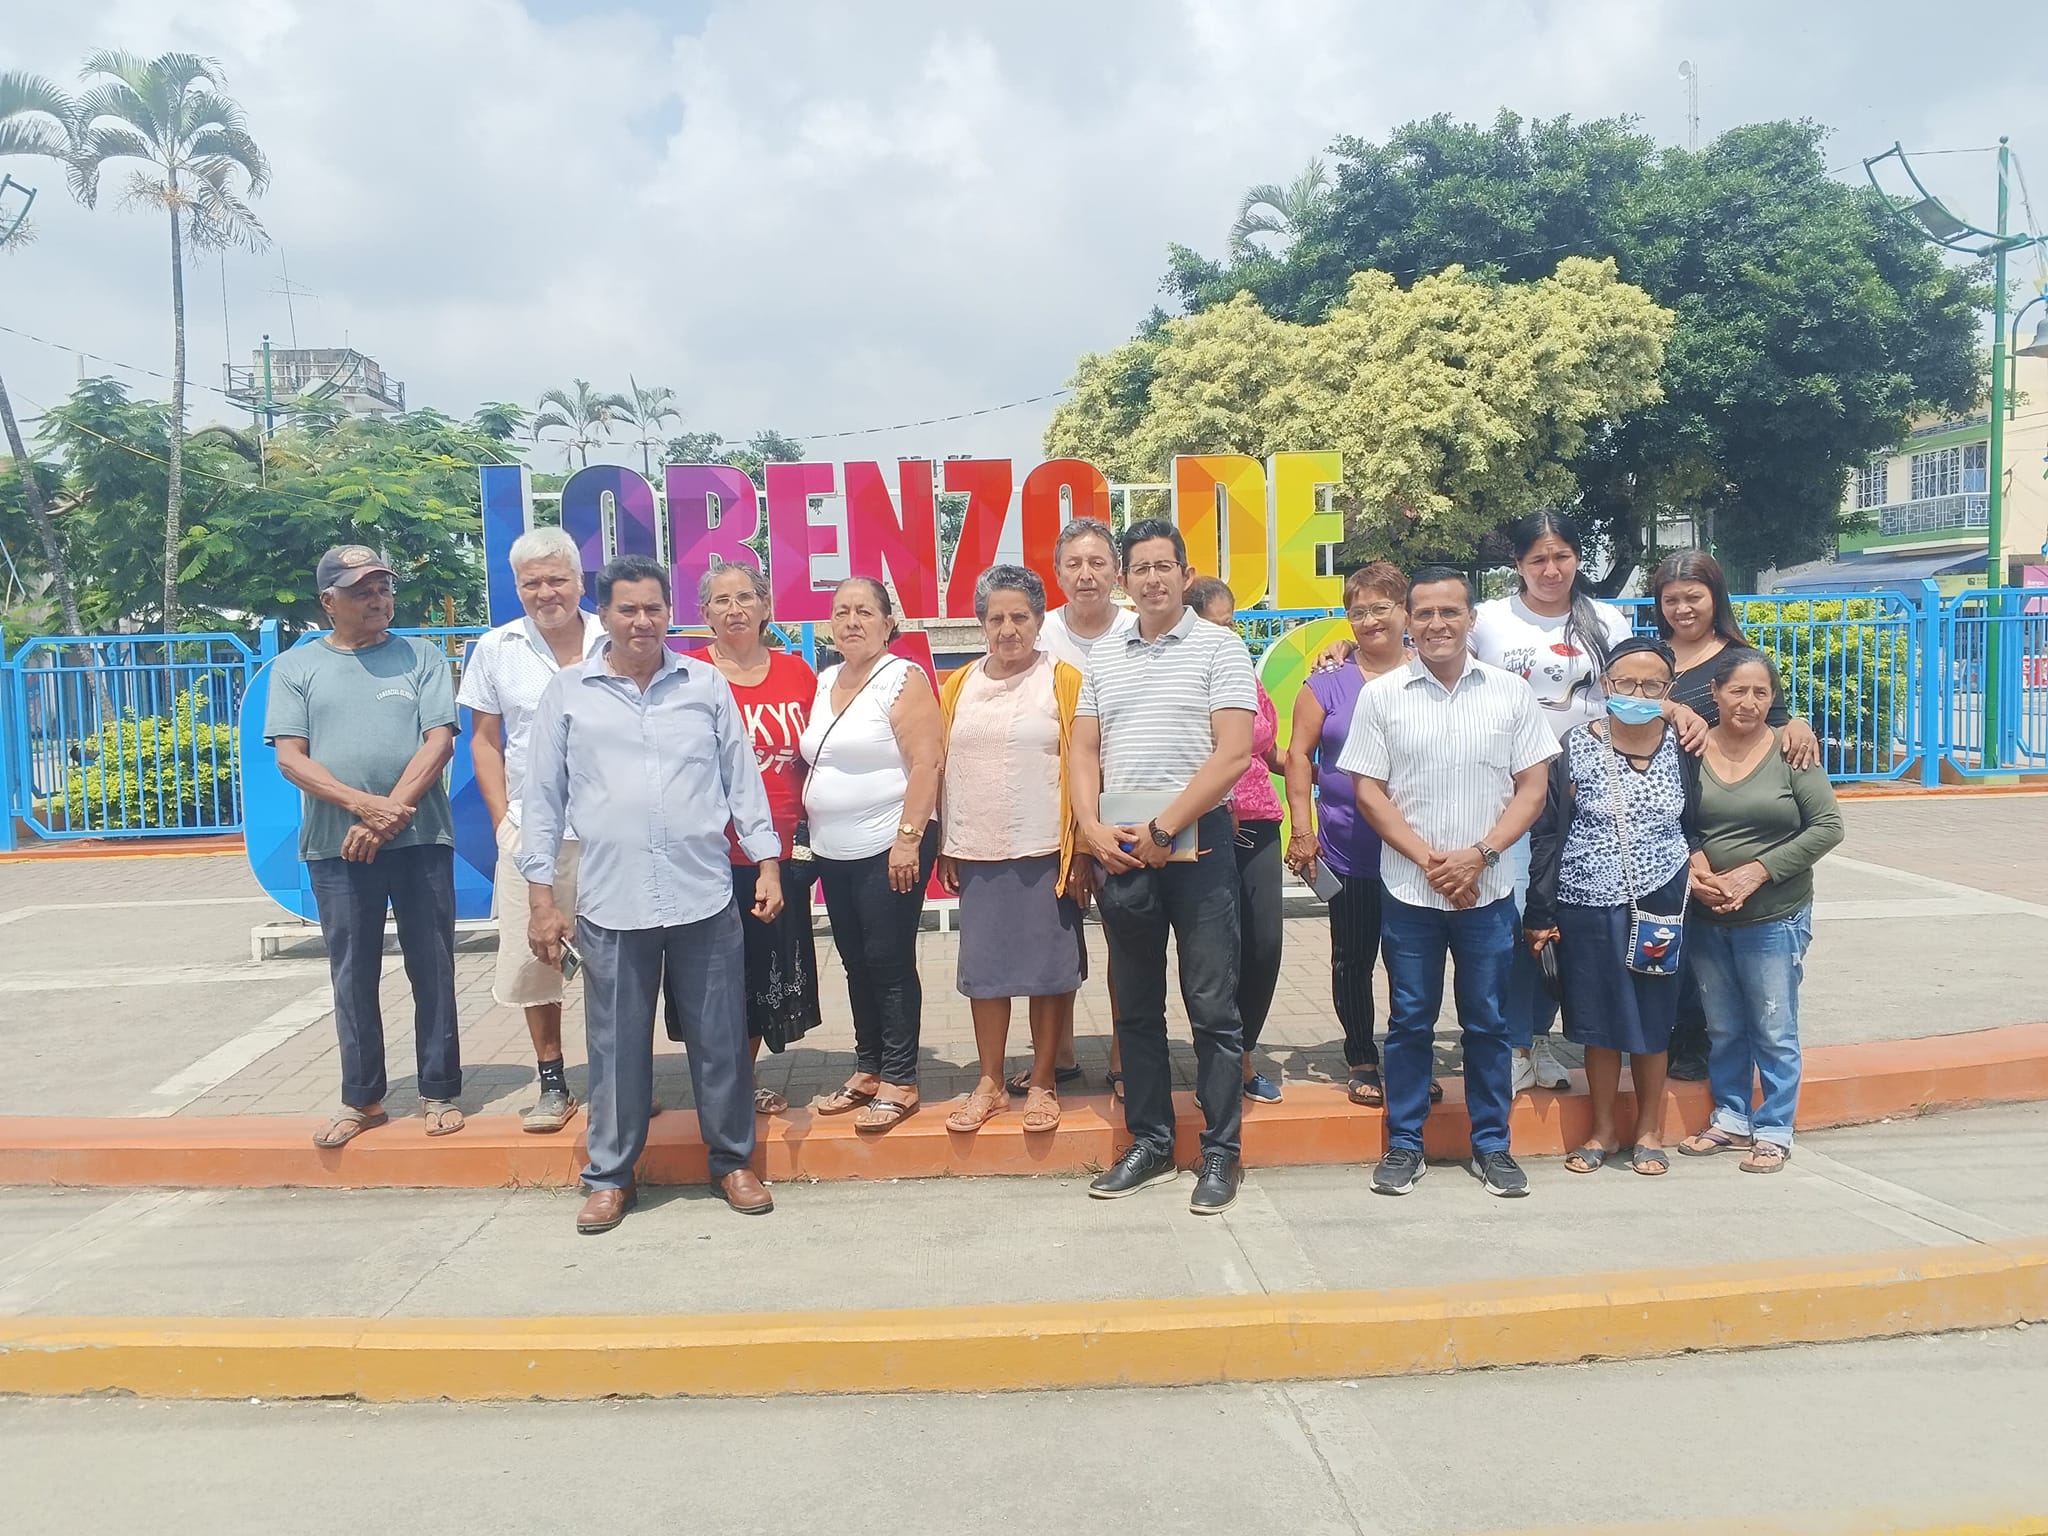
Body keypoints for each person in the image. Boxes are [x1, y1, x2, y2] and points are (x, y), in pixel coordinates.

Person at [521, 555, 783, 1235]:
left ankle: (732, 1162)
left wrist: (768, 863)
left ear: (670, 614)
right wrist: (541, 900)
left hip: (703, 895)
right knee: (614, 1047)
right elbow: (542, 800)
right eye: (628, 609)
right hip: (612, 901)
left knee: (719, 1039)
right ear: (604, 615)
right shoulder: (569, 693)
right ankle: (611, 1176)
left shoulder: (703, 684)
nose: (642, 621)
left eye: (654, 609)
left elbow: (741, 778)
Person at [1339, 566, 1558, 1199]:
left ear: (1471, 619)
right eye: (1426, 613)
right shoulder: (1382, 697)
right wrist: (1433, 862)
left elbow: (1533, 788)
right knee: (1410, 1020)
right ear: (1409, 620)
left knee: (1487, 1022)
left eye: (1450, 612)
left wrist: (1479, 857)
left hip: (1487, 893)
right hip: (1411, 891)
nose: (1438, 624)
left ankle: (1492, 1145)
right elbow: (1368, 792)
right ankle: (1405, 1143)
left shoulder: (1509, 693)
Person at [1070, 518, 1256, 1215]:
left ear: (1185, 574)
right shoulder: (1103, 656)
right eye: (1140, 568)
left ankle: (1220, 1152)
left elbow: (1233, 753)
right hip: (1123, 850)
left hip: (1196, 846)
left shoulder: (1220, 647)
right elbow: (1084, 750)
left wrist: (1166, 826)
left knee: (1212, 1006)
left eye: (1163, 566)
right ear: (1125, 580)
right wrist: (1090, 827)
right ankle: (1149, 1142)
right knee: (1137, 1008)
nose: (1152, 579)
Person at [268, 545, 463, 1148]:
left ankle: (439, 1090)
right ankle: (363, 1098)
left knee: (432, 964)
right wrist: (362, 806)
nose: (378, 600)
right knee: (353, 973)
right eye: (361, 591)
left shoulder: (421, 657)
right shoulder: (297, 668)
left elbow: (439, 743)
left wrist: (386, 816)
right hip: (337, 846)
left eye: (383, 588)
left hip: (420, 839)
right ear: (329, 602)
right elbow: (291, 759)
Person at [1471, 510, 1638, 1098]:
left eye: (1562, 556)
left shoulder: (1606, 620)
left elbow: (1637, 688)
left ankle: (1536, 1037)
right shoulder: (1488, 620)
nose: (1551, 569)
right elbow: (1431, 662)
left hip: (1588, 796)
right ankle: (1514, 1042)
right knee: (1521, 917)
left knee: (1569, 920)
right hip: (1510, 797)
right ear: (1517, 564)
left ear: (1577, 559)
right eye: (1537, 559)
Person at [1525, 637, 1701, 1177]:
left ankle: (1649, 1131)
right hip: (1587, 905)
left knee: (1653, 1019)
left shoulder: (1686, 747)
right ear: (1606, 684)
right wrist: (1540, 910)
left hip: (1661, 905)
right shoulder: (1573, 747)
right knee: (1597, 1021)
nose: (1637, 693)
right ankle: (1602, 1130)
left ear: (1669, 690)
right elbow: (1547, 833)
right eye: (1626, 682)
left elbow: (1696, 823)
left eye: (1652, 685)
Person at [1650, 549, 1822, 1080]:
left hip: (1714, 814)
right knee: (1664, 935)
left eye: (1693, 597)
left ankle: (1698, 1042)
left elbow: (1775, 719)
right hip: (1658, 815)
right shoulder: (1652, 657)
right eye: (1671, 599)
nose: (1683, 608)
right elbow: (1620, 696)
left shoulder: (1738, 657)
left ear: (1715, 598)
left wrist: (1800, 725)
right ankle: (1663, 1035)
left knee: (1709, 943)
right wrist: (1670, 705)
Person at [458, 526, 605, 1134]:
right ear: (517, 587)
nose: (546, 593)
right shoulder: (496, 648)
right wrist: (503, 822)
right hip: (532, 833)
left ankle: (615, 1080)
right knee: (535, 959)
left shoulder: (613, 638)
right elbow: (485, 741)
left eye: (557, 579)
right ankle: (552, 1082)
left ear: (579, 580)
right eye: (532, 583)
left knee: (616, 961)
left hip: (610, 831)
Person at [1678, 649, 1844, 1175]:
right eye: (1737, 690)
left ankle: (1773, 1129)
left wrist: (1757, 872)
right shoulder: (1692, 749)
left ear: (1773, 699)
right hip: (1708, 914)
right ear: (1715, 693)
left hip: (1775, 915)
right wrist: (1695, 867)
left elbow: (1827, 826)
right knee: (1724, 1027)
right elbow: (1673, 816)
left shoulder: (1792, 750)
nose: (1748, 702)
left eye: (1760, 692)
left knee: (1773, 1027)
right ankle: (1731, 1117)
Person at [936, 565, 1086, 1135]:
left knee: (1048, 972)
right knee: (986, 972)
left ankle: (1044, 1081)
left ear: (1040, 619)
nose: (1008, 629)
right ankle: (991, 1083)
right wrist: (947, 842)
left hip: (1045, 850)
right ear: (981, 624)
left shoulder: (1064, 680)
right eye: (995, 618)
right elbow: (944, 766)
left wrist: (1082, 848)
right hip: (977, 850)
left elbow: (1085, 767)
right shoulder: (959, 685)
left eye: (1020, 616)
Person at [1283, 563, 1440, 1108]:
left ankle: (1410, 1056)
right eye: (1358, 612)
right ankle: (1361, 1058)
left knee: (1411, 961)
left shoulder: (1431, 672)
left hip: (1418, 852)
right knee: (1352, 958)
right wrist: (1301, 829)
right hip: (1349, 850)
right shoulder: (1326, 682)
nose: (1370, 620)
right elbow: (1298, 757)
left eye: (1381, 608)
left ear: (1405, 612)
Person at [800, 576, 945, 1132]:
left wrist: (908, 838)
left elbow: (928, 763)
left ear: (888, 623)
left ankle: (901, 1079)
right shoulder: (826, 679)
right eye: (842, 612)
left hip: (889, 845)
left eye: (864, 611)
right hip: (832, 851)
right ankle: (868, 1068)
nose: (852, 621)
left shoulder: (902, 678)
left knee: (888, 960)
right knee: (854, 960)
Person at [691, 560, 822, 1113]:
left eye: (746, 597)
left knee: (764, 969)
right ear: (705, 614)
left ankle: (740, 1082)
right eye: (721, 601)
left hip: (782, 852)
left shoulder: (799, 674)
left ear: (766, 607)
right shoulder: (690, 674)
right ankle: (722, 1086)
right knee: (714, 975)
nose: (735, 610)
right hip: (710, 854)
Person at [1030, 515, 1137, 1100]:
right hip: (1053, 808)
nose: (1086, 574)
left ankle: (1124, 1056)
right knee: (1057, 939)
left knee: (1127, 938)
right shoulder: (1039, 632)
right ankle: (1060, 1055)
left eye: (1098, 562)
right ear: (1057, 572)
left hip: (1126, 806)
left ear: (1116, 571)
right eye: (1074, 564)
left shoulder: (1138, 628)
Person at [1186, 577, 1287, 1104]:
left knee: (1264, 943)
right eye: (1218, 625)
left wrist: (1323, 772)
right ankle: (1221, 1063)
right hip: (1205, 823)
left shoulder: (1244, 673)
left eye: (1233, 626)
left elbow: (1267, 749)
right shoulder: (1180, 674)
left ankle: (1244, 1047)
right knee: (1215, 950)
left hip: (1260, 822)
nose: (1229, 635)